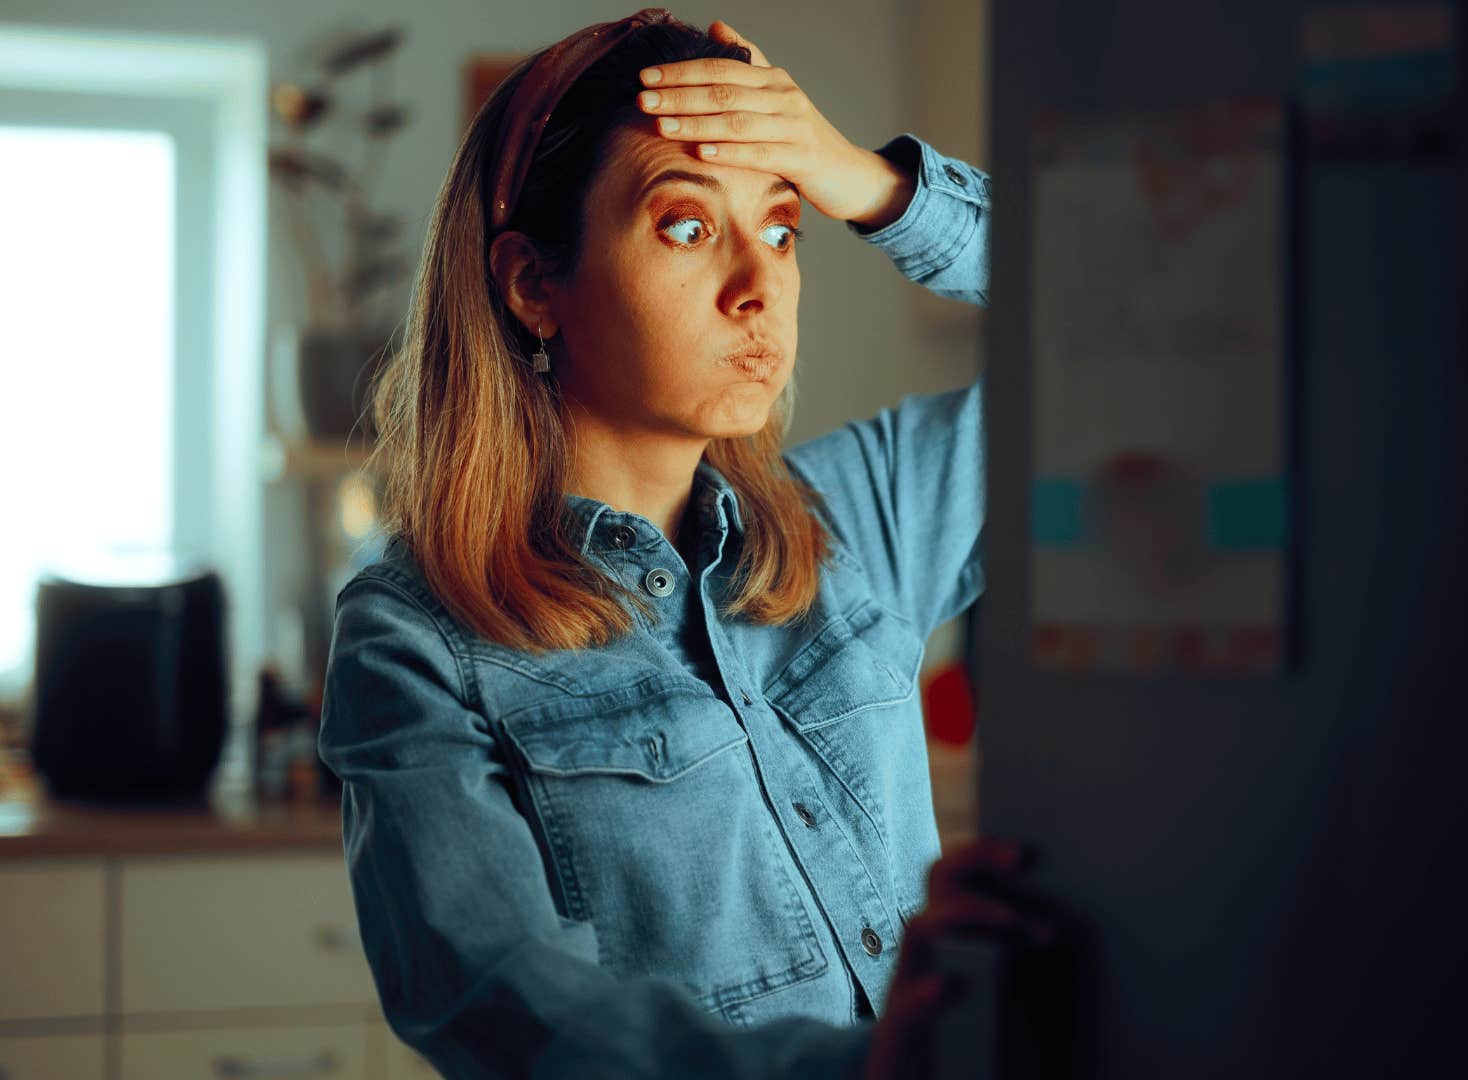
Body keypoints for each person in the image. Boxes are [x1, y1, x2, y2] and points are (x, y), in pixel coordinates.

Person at [317, 9, 1051, 1079]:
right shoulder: (417, 632)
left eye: (785, 227)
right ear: (534, 285)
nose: (760, 284)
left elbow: (1123, 315)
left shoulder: (858, 520)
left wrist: (868, 182)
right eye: (686, 226)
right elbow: (503, 1001)